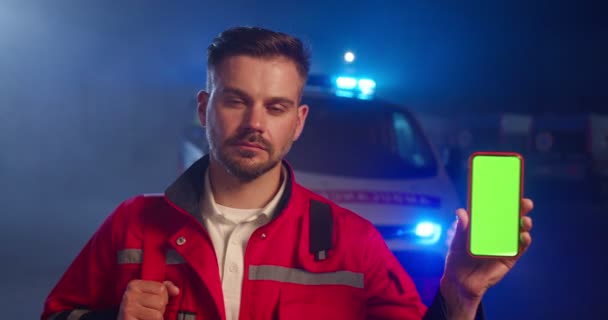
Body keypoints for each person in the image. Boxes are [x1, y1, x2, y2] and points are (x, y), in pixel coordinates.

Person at [42, 26, 534, 320]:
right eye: (236, 101)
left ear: (297, 122)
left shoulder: (353, 243)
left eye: (276, 107)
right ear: (203, 108)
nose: (256, 124)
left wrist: (460, 298)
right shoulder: (132, 225)